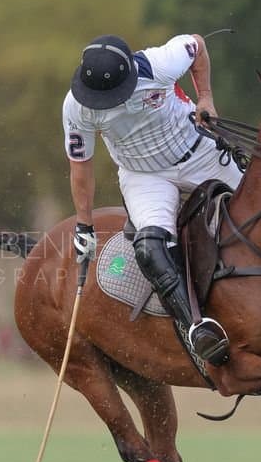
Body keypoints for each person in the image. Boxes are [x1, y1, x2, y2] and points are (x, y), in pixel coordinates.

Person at [62, 33, 243, 365]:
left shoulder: (160, 63)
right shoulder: (76, 106)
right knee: (149, 247)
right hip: (144, 176)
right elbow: (81, 169)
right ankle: (197, 330)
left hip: (197, 154)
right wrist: (84, 226)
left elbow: (198, 44)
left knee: (258, 206)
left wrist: (205, 97)